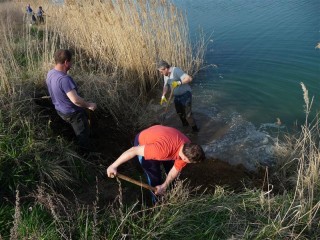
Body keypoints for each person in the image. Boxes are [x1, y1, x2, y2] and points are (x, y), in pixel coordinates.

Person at [106, 125, 205, 201]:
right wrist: (113, 166)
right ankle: (156, 202)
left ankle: (167, 189)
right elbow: (133, 151)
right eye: (190, 162)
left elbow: (175, 169)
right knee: (154, 178)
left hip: (160, 135)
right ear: (184, 157)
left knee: (170, 170)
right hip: (144, 141)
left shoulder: (188, 147)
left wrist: (165, 185)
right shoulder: (161, 150)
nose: (190, 163)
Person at [46, 49, 97, 150]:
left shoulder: (50, 73)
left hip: (59, 110)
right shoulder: (65, 79)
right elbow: (76, 100)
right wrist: (89, 105)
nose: (72, 64)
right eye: (71, 61)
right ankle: (85, 154)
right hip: (73, 114)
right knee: (83, 135)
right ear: (66, 62)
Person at [157, 60, 199, 132]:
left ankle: (195, 130)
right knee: (180, 113)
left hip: (185, 95)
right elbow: (166, 86)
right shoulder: (166, 75)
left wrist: (178, 82)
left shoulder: (176, 70)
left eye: (161, 71)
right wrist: (163, 95)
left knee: (188, 115)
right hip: (177, 96)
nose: (161, 73)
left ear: (166, 68)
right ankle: (185, 127)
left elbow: (189, 78)